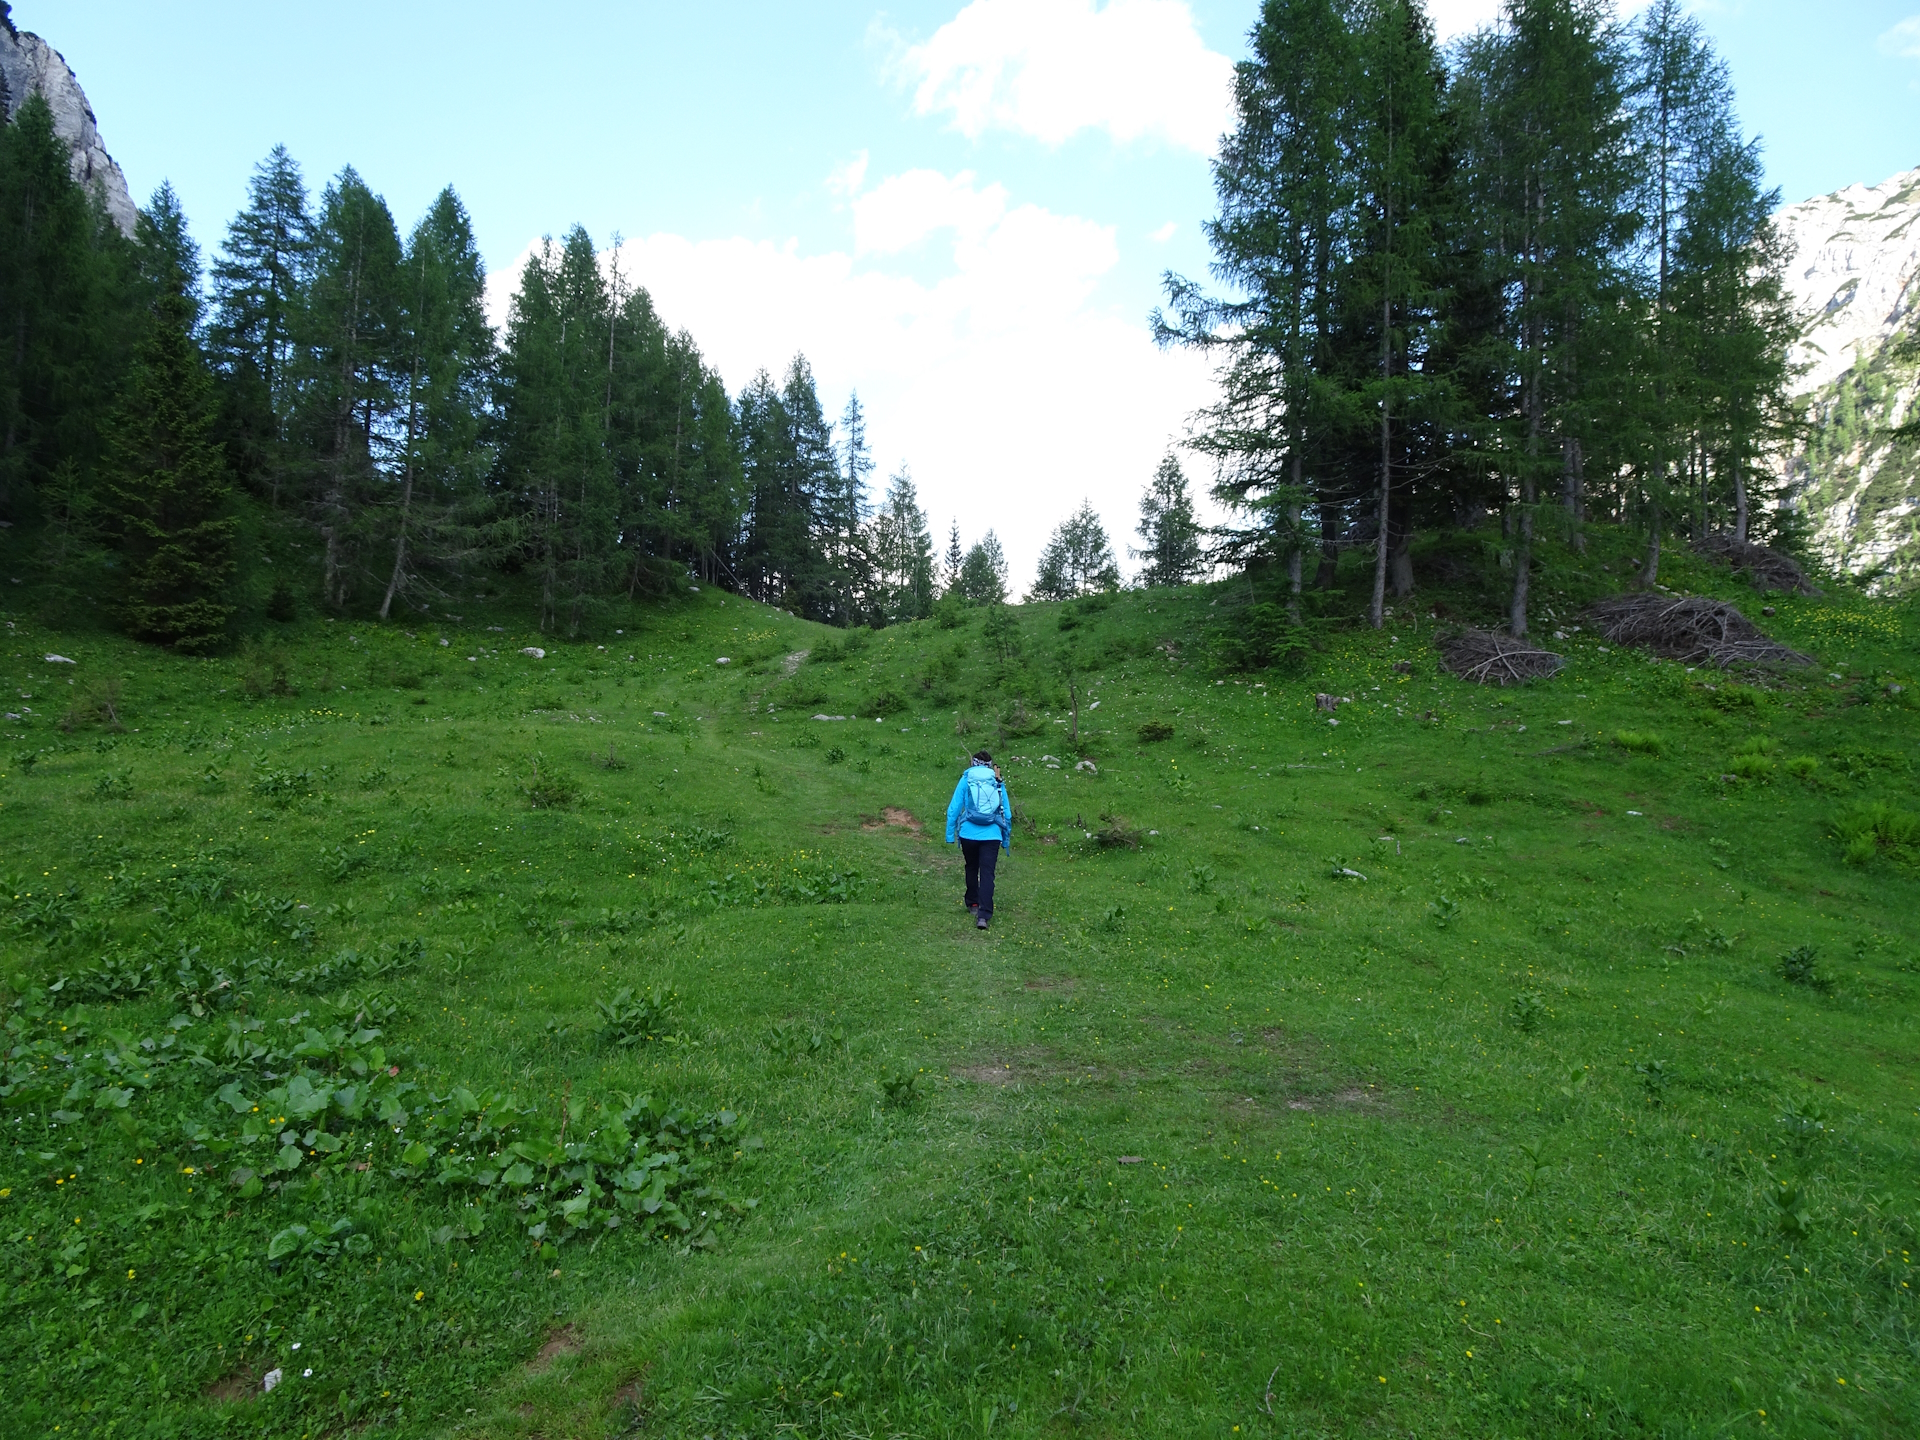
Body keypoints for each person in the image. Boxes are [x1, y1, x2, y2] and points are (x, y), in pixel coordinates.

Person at [945, 749, 1011, 930]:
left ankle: (973, 903)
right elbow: (1007, 813)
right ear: (990, 765)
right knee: (988, 873)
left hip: (968, 833)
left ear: (973, 763)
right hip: (992, 835)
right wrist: (1005, 839)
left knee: (971, 867)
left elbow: (954, 808)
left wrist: (950, 835)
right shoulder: (997, 781)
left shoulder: (966, 779)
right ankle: (984, 916)